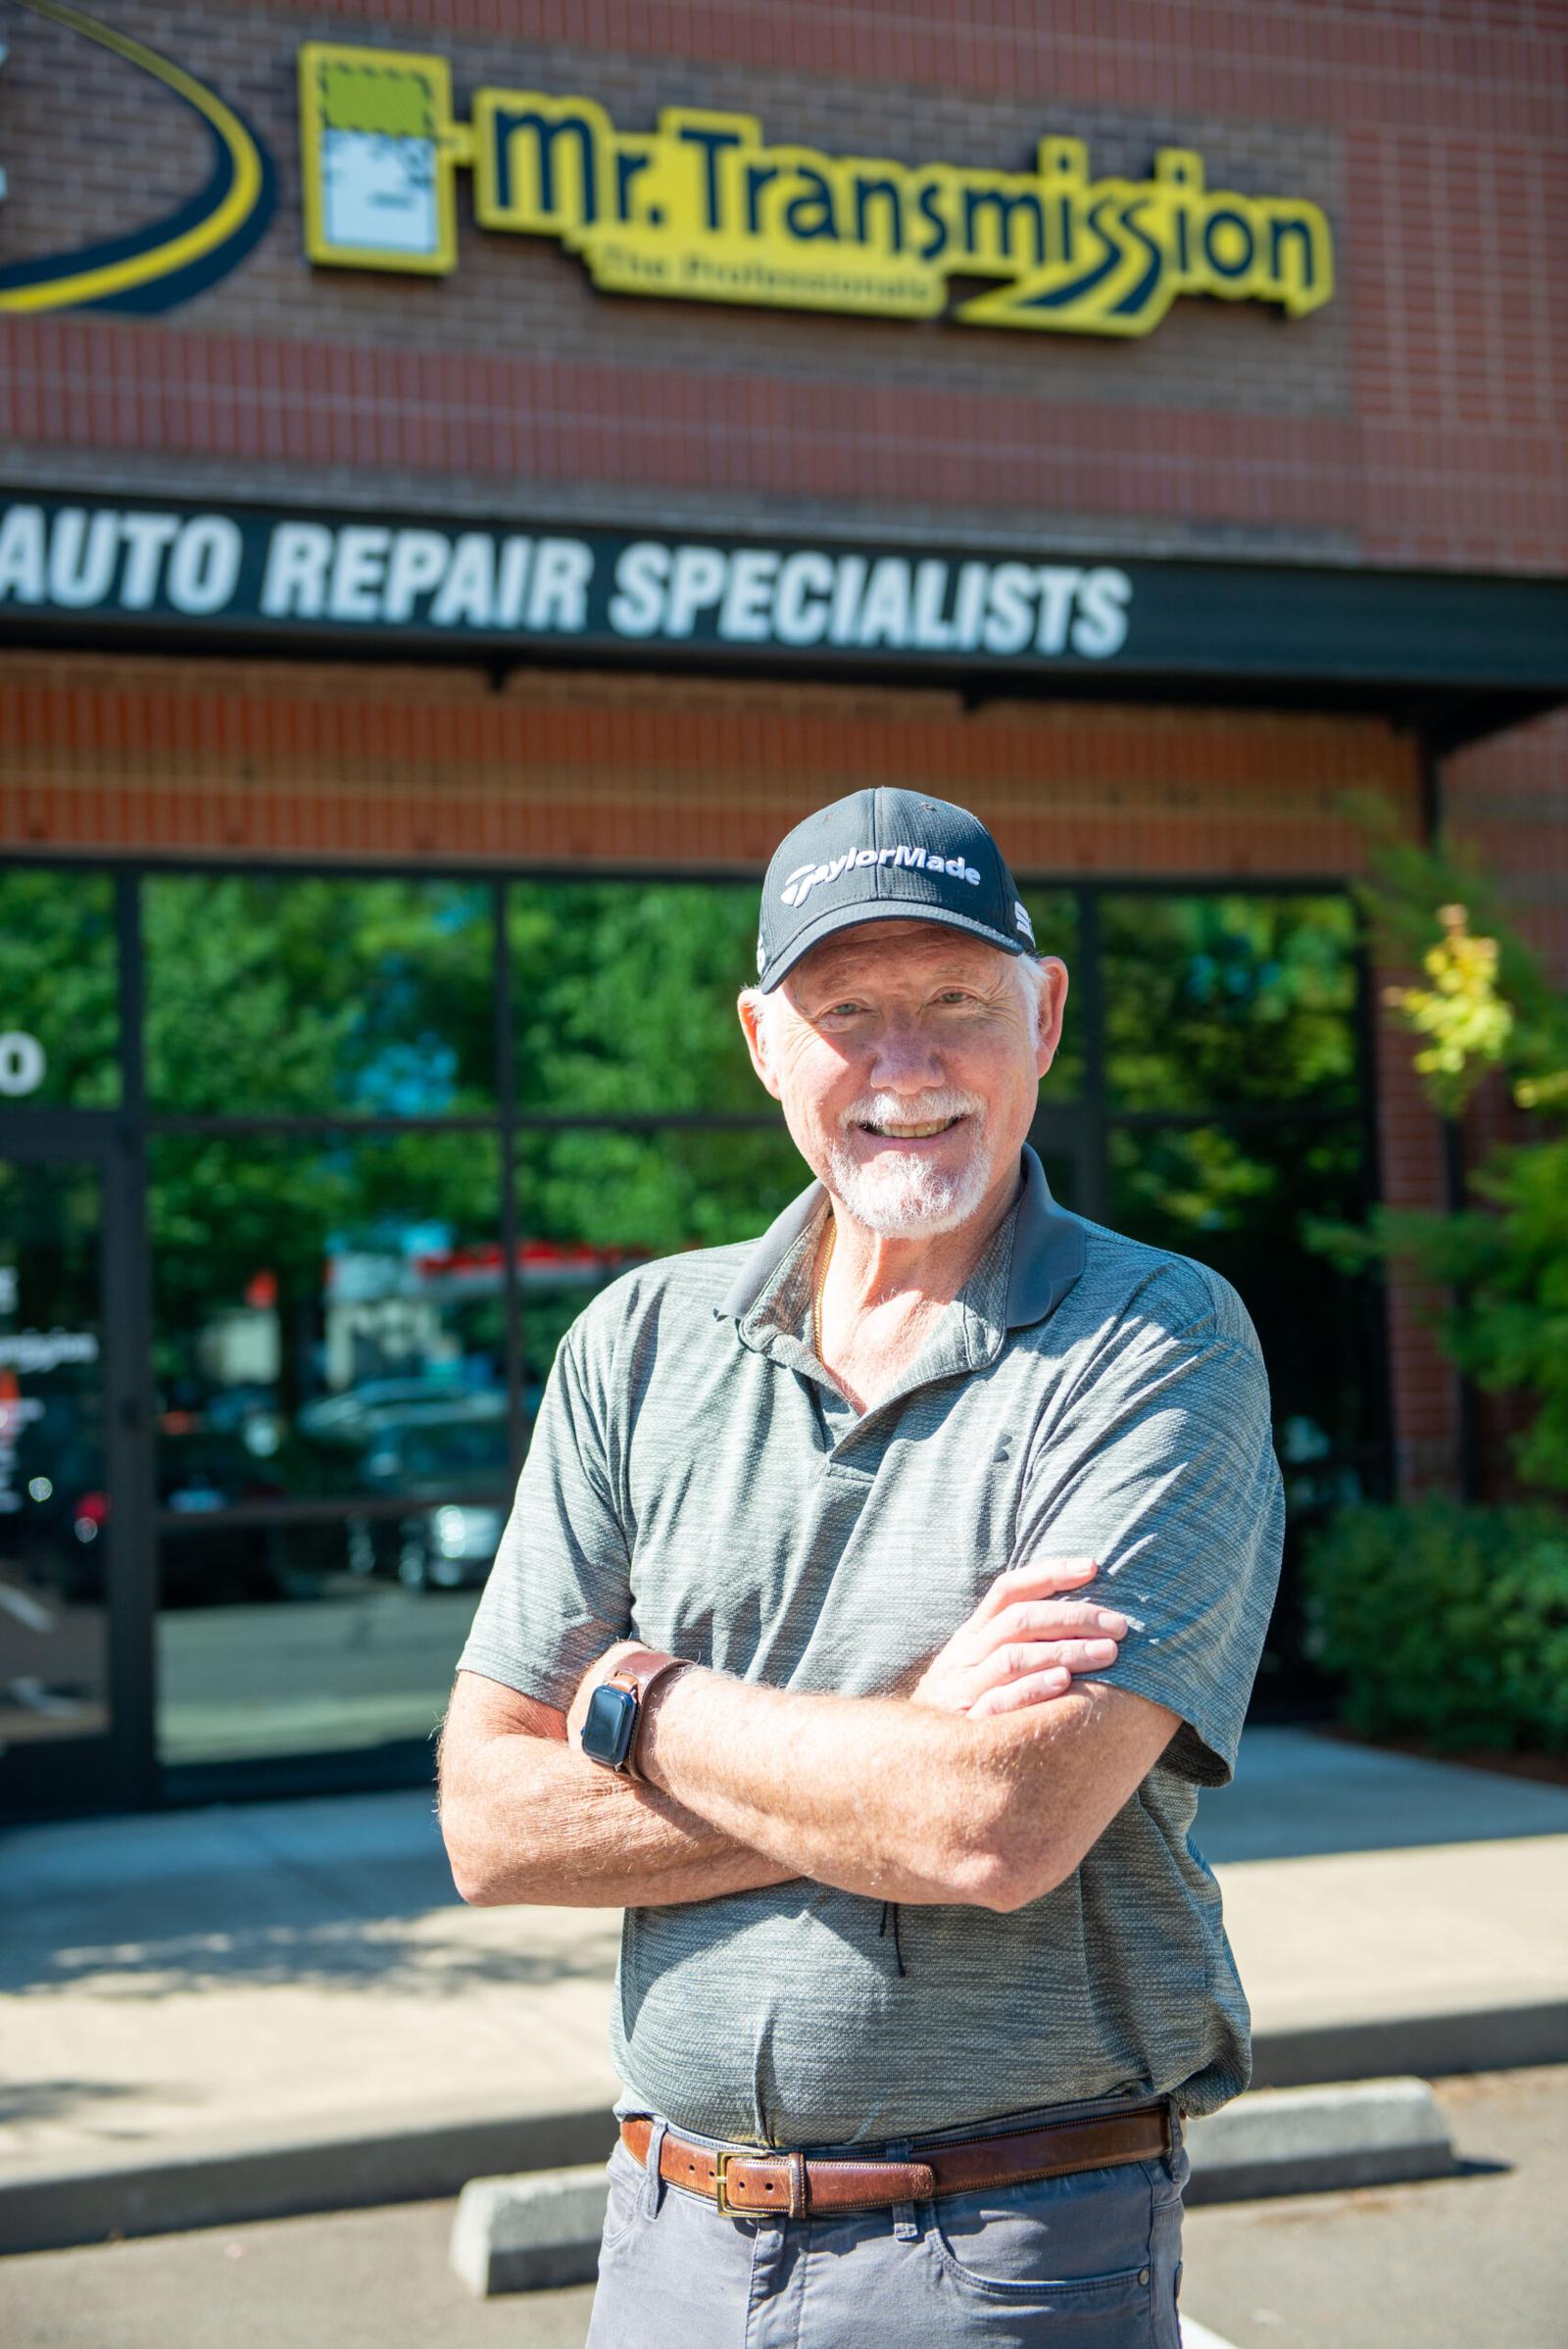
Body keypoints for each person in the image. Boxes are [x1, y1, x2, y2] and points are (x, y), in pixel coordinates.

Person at [437, 787, 1285, 2347]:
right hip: (669, 2238)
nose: (906, 1068)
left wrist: (644, 1705)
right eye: (847, 1013)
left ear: (1043, 1013)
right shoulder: (636, 1345)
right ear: (764, 1040)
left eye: (956, 1000)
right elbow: (489, 1821)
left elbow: (994, 1820)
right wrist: (905, 1730)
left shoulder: (1156, 1345)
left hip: (1007, 2250)